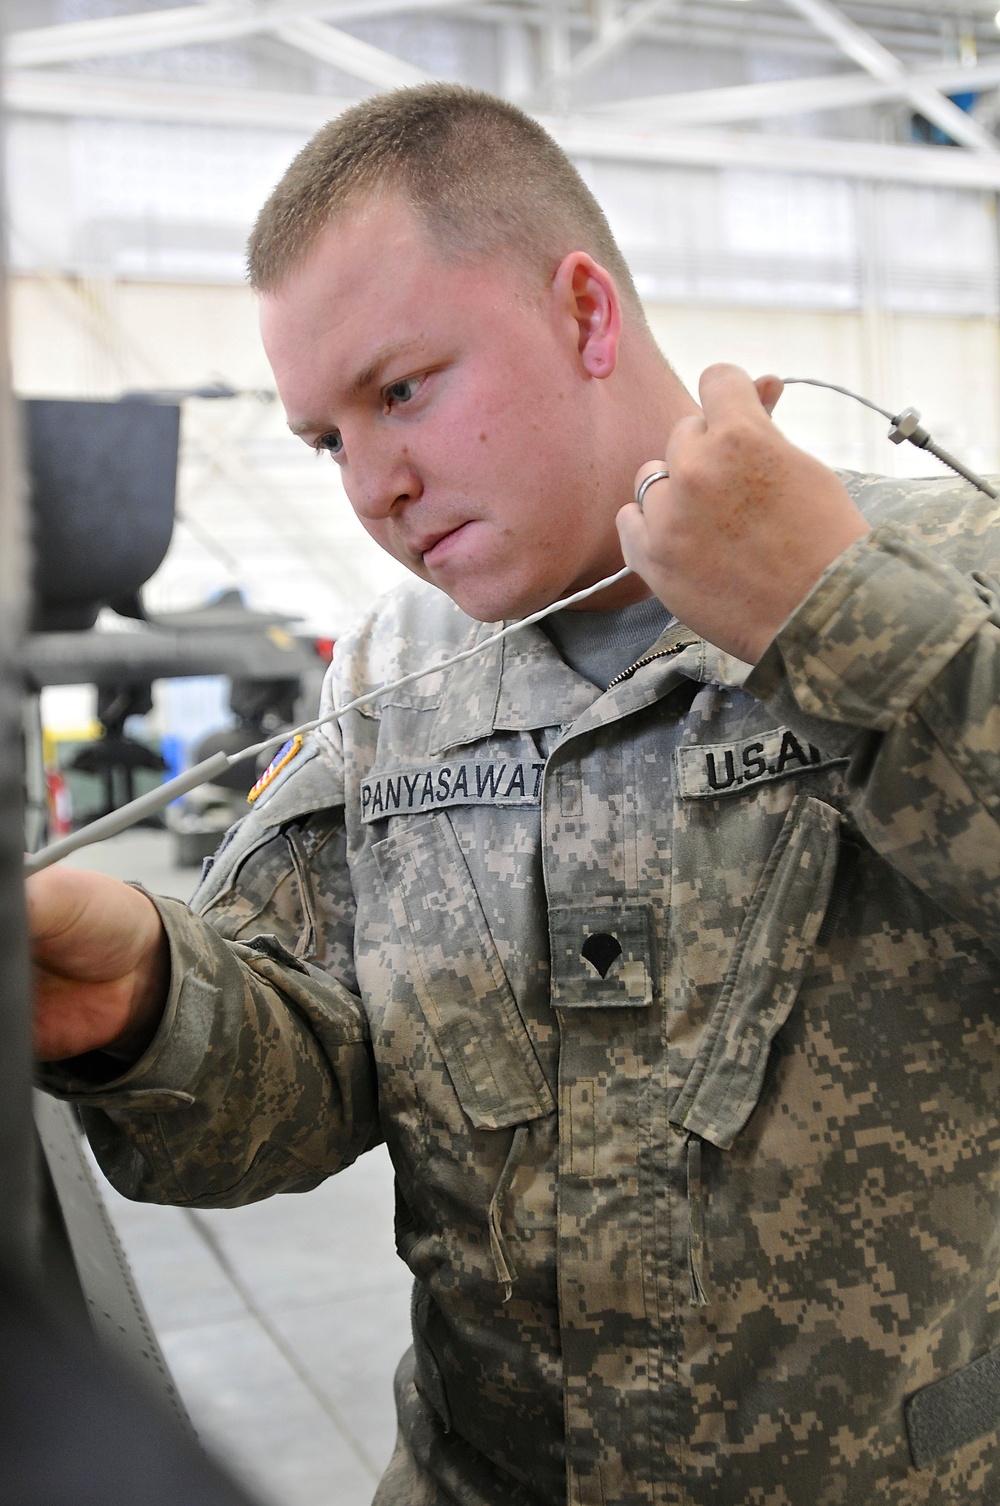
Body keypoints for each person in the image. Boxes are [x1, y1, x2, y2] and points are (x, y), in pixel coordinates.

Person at [27, 84, 1000, 1505]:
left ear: (587, 317)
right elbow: (298, 1079)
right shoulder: (395, 670)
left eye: (402, 389)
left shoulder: (945, 566)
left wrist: (831, 616)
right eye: (325, 439)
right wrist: (143, 1001)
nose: (377, 484)